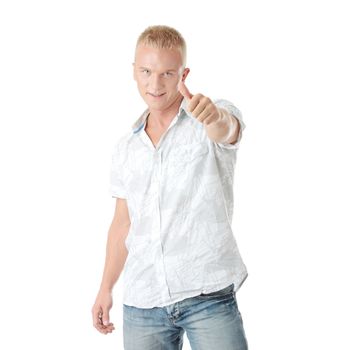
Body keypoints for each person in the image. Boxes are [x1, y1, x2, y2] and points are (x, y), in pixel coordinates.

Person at [92, 24, 249, 349]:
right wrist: (105, 287)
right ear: (134, 71)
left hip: (207, 295)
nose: (155, 83)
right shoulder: (126, 147)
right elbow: (122, 223)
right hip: (143, 299)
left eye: (167, 73)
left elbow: (228, 130)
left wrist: (215, 118)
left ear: (183, 74)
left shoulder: (209, 117)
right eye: (147, 71)